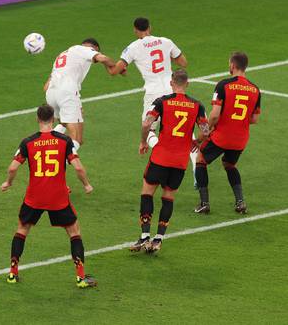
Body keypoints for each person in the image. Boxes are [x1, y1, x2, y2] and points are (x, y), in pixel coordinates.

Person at [0, 104, 96, 288]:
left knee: (22, 229)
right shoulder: (64, 141)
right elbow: (78, 167)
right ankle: (81, 278)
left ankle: (13, 273)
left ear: (38, 119)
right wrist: (87, 185)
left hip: (34, 197)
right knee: (74, 231)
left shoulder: (27, 142)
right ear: (52, 119)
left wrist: (8, 183)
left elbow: (12, 167)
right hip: (58, 198)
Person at [129, 70, 209, 253]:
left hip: (161, 157)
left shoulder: (162, 102)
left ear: (171, 82)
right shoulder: (197, 105)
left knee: (147, 193)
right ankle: (159, 239)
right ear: (187, 83)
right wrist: (196, 143)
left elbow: (146, 123)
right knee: (168, 197)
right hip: (180, 161)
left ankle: (144, 237)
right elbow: (205, 131)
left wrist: (143, 141)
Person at [109, 18, 197, 184]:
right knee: (185, 130)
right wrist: (165, 59)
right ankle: (196, 169)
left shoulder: (133, 47)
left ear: (136, 30)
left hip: (153, 93)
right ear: (150, 27)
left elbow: (114, 71)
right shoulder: (165, 41)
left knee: (149, 129)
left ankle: (162, 158)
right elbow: (183, 63)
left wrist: (114, 67)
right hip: (172, 89)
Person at [194, 52, 261, 215]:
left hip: (222, 136)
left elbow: (215, 115)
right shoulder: (255, 89)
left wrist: (205, 132)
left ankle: (204, 203)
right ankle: (240, 202)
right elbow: (254, 119)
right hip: (240, 139)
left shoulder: (223, 85)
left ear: (232, 65)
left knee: (201, 159)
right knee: (230, 164)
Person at [44, 38, 118, 150]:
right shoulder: (83, 49)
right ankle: (59, 161)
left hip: (51, 93)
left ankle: (44, 141)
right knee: (77, 139)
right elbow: (102, 58)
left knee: (65, 123)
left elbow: (45, 87)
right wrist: (118, 68)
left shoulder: (62, 55)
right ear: (95, 48)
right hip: (67, 92)